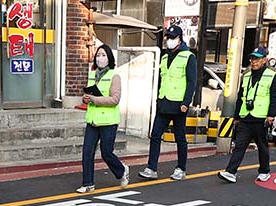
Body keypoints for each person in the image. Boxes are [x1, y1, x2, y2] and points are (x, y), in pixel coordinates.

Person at [138, 25, 197, 182]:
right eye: (167, 38)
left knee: (180, 137)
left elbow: (192, 82)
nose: (169, 41)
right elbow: (161, 80)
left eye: (172, 38)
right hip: (164, 102)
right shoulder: (164, 58)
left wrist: (186, 102)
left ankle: (181, 168)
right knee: (156, 135)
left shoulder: (188, 57)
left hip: (179, 104)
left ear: (179, 39)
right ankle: (151, 168)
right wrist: (158, 99)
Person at [218, 46, 276, 184]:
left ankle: (264, 171)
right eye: (252, 58)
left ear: (264, 60)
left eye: (257, 59)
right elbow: (241, 97)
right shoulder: (246, 76)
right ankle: (230, 172)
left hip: (261, 117)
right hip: (246, 117)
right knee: (240, 145)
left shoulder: (272, 76)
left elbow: (275, 97)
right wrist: (236, 117)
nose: (254, 61)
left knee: (262, 146)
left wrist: (271, 115)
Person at [77, 45, 128, 193]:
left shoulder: (114, 76)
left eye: (103, 55)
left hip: (108, 121)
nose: (100, 58)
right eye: (98, 55)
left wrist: (94, 99)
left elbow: (115, 99)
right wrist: (86, 98)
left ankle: (121, 170)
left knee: (106, 152)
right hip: (92, 120)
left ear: (109, 58)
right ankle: (88, 183)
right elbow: (89, 95)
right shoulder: (92, 74)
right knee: (87, 151)